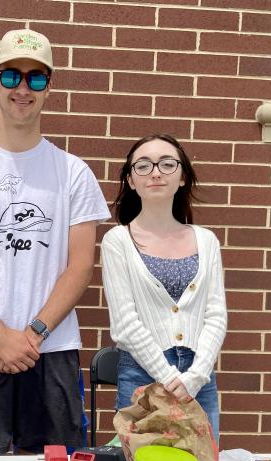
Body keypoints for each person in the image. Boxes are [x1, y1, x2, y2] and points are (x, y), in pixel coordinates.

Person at [0, 29, 110, 455]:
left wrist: (30, 335)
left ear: (49, 86)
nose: (23, 88)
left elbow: (80, 265)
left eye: (36, 78)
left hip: (51, 347)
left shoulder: (73, 173)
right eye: (11, 76)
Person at [101, 134, 227, 441]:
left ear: (182, 176)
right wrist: (170, 377)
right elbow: (125, 324)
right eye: (143, 166)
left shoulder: (206, 240)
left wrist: (195, 378)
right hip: (142, 376)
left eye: (167, 164)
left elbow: (215, 315)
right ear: (130, 180)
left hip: (199, 377)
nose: (155, 172)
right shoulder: (118, 241)